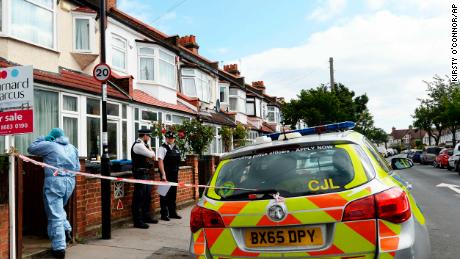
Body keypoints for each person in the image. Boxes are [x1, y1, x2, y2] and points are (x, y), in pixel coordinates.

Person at [27, 128, 80, 259]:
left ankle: (59, 249)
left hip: (54, 182)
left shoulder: (50, 145)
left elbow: (31, 148)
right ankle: (66, 229)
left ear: (53, 136)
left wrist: (44, 138)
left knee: (54, 214)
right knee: (58, 209)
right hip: (70, 182)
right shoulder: (72, 147)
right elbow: (78, 167)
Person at [131, 128, 158, 229]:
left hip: (145, 173)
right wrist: (150, 146)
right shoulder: (138, 145)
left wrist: (148, 146)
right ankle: (137, 221)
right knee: (139, 197)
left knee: (147, 196)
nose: (149, 138)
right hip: (140, 173)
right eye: (149, 136)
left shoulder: (142, 145)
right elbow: (152, 155)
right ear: (145, 136)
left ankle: (146, 217)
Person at [158, 131, 182, 221]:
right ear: (166, 138)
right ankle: (164, 214)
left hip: (174, 174)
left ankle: (172, 213)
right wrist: (163, 174)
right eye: (169, 138)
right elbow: (160, 161)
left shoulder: (176, 148)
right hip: (166, 174)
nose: (170, 139)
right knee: (163, 194)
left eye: (172, 138)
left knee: (173, 194)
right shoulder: (162, 148)